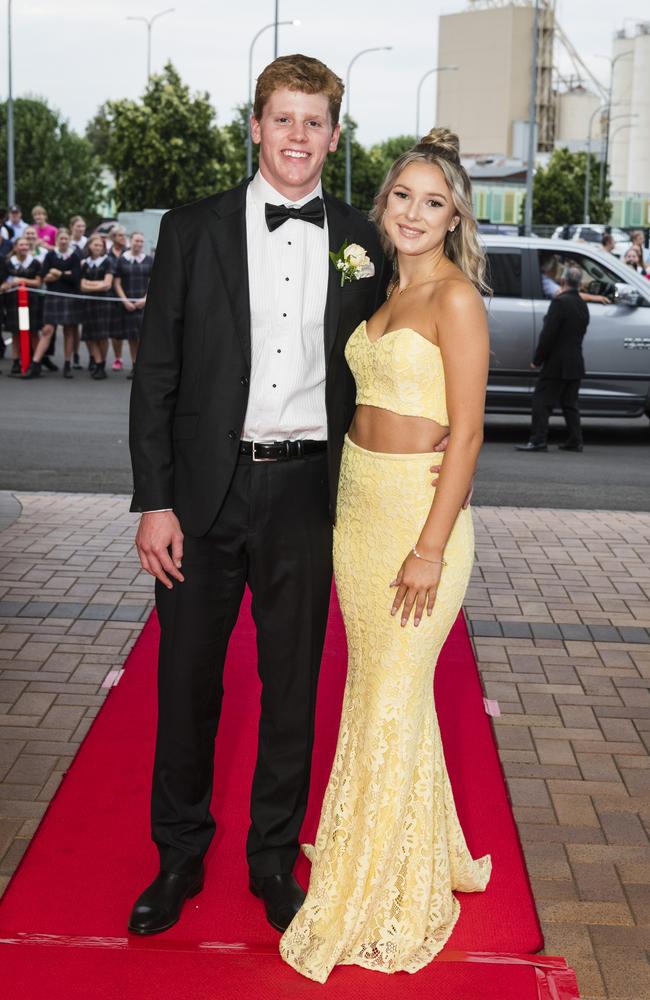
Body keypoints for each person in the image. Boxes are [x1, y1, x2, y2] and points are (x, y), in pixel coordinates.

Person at [127, 53, 390, 938]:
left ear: (335, 136)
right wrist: (153, 501)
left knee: (291, 687)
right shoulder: (191, 230)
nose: (298, 137)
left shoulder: (363, 240)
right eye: (284, 119)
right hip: (204, 493)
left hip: (310, 494)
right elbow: (156, 374)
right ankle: (177, 858)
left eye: (315, 122)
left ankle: (273, 860)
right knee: (186, 683)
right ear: (254, 125)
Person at [279, 128, 492, 983]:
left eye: (432, 202)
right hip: (358, 508)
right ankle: (410, 837)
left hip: (418, 518)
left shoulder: (456, 299)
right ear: (385, 204)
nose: (413, 213)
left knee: (396, 692)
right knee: (377, 686)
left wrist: (432, 548)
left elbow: (469, 433)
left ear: (453, 217)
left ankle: (381, 880)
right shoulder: (371, 291)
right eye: (402, 196)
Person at [516, 265, 589, 453]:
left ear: (563, 281)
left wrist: (538, 359)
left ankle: (538, 440)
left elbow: (549, 334)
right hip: (575, 362)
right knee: (570, 404)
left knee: (541, 401)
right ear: (579, 284)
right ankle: (575, 440)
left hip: (557, 363)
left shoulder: (559, 302)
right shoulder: (582, 304)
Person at [23, 228, 82, 379]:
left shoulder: (75, 256)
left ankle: (67, 365)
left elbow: (75, 278)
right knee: (47, 330)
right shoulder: (50, 255)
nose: (63, 241)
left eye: (65, 239)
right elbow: (44, 276)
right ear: (56, 240)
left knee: (69, 331)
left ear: (69, 240)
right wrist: (62, 274)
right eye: (61, 239)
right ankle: (35, 365)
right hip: (53, 297)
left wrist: (57, 273)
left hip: (69, 296)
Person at [0, 236, 42, 376]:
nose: (24, 247)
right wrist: (7, 285)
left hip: (31, 301)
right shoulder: (8, 263)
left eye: (26, 245)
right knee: (16, 332)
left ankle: (36, 363)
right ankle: (16, 362)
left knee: (33, 332)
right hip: (13, 301)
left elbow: (37, 283)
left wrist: (21, 280)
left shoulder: (35, 263)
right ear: (16, 247)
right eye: (21, 245)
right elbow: (6, 282)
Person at [113, 231, 152, 380]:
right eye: (136, 241)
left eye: (141, 241)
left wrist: (146, 299)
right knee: (132, 338)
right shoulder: (122, 260)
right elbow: (117, 283)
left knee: (144, 337)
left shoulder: (149, 260)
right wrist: (125, 301)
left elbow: (154, 281)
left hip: (144, 304)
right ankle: (135, 366)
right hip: (128, 305)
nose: (139, 244)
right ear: (130, 242)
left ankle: (144, 367)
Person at [80, 233, 115, 379]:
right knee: (90, 335)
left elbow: (107, 285)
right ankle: (97, 361)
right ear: (89, 246)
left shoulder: (108, 261)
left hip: (104, 303)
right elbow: (81, 286)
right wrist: (96, 285)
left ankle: (101, 365)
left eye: (100, 245)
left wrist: (90, 285)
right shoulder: (85, 263)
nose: (98, 247)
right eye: (95, 245)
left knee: (102, 335)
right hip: (89, 303)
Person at [106, 224, 128, 371]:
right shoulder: (107, 254)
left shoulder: (129, 253)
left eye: (124, 236)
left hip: (129, 292)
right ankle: (118, 358)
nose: (123, 238)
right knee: (115, 331)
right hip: (111, 296)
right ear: (113, 238)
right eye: (120, 235)